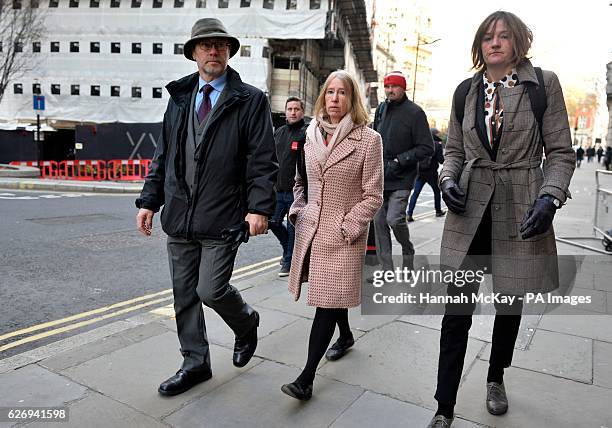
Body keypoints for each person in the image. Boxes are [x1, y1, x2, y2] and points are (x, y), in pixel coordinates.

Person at [428, 11, 575, 428]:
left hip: (521, 207)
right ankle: (444, 405)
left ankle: (495, 376)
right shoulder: (466, 91)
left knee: (509, 304)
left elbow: (561, 153)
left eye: (504, 36)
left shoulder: (541, 85)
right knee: (455, 311)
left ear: (519, 42)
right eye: (488, 36)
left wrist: (550, 196)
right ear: (479, 44)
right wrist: (446, 178)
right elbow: (453, 150)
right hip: (469, 210)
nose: (495, 43)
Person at [135, 18, 277, 397]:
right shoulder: (180, 98)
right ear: (194, 53)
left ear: (229, 52)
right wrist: (150, 200)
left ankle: (245, 322)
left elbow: (262, 160)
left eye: (219, 45)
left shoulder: (250, 100)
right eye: (205, 46)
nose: (213, 51)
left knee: (211, 290)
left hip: (224, 216)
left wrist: (259, 207)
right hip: (180, 216)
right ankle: (194, 362)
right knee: (184, 295)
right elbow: (163, 154)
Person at [280, 70, 383, 401]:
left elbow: (373, 195)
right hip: (312, 230)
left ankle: (306, 378)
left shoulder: (369, 140)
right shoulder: (310, 134)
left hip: (342, 238)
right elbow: (300, 182)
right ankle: (347, 336)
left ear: (352, 99)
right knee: (330, 296)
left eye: (342, 93)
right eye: (330, 92)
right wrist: (299, 210)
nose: (335, 98)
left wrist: (348, 226)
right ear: (322, 96)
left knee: (325, 303)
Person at [372, 71, 434, 274]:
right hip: (380, 177)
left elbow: (427, 147)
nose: (390, 90)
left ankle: (408, 250)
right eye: (387, 87)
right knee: (379, 223)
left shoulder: (415, 113)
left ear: (403, 88)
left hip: (402, 178)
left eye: (394, 87)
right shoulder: (381, 108)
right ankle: (386, 270)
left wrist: (400, 160)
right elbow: (375, 138)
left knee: (394, 219)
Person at [269, 97, 306, 277]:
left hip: (295, 192)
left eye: (296, 109)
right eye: (290, 109)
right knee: (272, 222)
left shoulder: (306, 133)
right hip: (278, 190)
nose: (293, 112)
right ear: (285, 112)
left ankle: (289, 262)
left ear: (302, 112)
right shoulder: (279, 132)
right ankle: (287, 251)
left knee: (292, 228)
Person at [407, 128, 446, 222]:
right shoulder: (437, 145)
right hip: (432, 174)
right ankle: (438, 211)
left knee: (415, 193)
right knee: (437, 192)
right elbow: (441, 160)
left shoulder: (421, 144)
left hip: (420, 173)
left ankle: (409, 214)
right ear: (435, 134)